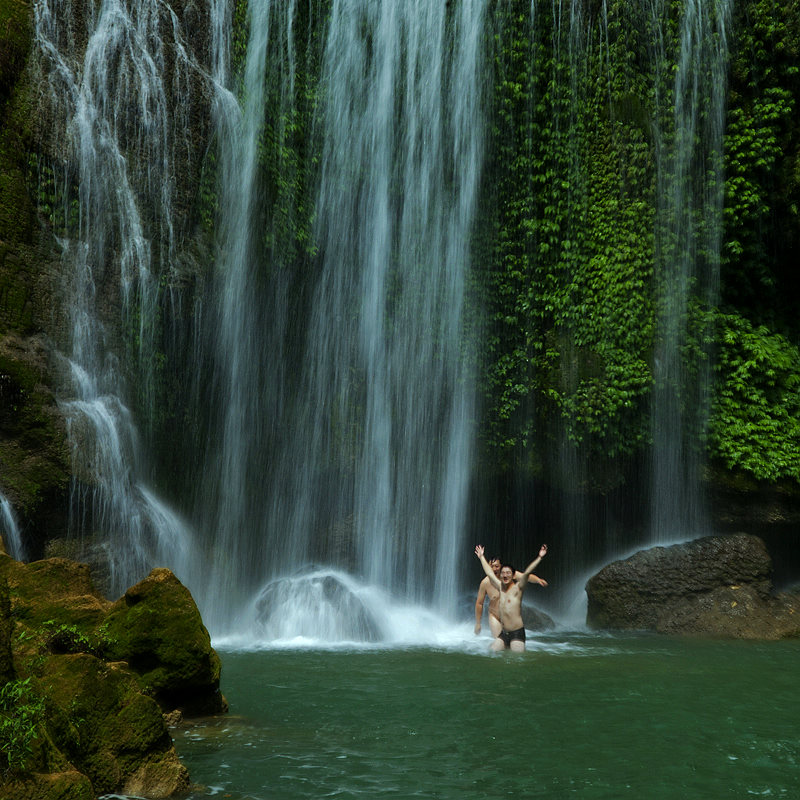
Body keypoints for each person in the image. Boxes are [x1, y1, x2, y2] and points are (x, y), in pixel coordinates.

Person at [474, 543, 548, 652]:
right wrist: (481, 557)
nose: (505, 575)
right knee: (491, 653)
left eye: (508, 573)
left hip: (516, 632)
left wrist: (540, 557)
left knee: (516, 658)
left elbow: (527, 574)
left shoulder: (518, 588)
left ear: (513, 575)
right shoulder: (499, 586)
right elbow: (489, 573)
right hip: (504, 632)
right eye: (504, 573)